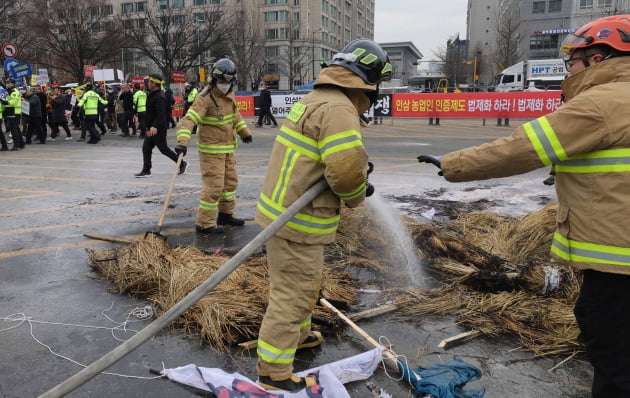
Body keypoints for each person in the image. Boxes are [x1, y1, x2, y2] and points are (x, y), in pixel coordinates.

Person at [417, 15, 630, 398]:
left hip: (620, 259)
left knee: (613, 350)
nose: (571, 70)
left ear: (598, 59)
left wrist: (452, 165)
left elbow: (524, 147)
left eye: (574, 61)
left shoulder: (604, 101)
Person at [254, 38, 389, 392]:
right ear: (369, 78)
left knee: (301, 285)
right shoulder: (340, 108)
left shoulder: (317, 99)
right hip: (299, 221)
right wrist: (357, 192)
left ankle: (298, 337)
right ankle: (273, 371)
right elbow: (344, 171)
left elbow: (327, 161)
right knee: (294, 293)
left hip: (284, 213)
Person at [174, 58, 252, 233]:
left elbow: (235, 117)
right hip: (211, 151)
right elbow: (189, 120)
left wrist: (244, 132)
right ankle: (205, 223)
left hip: (227, 149)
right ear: (215, 79)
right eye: (222, 81)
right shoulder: (205, 98)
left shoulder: (229, 96)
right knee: (214, 187)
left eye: (228, 81)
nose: (224, 84)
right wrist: (182, 143)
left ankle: (225, 215)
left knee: (230, 184)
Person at [134, 74, 186, 178]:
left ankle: (182, 163)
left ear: (154, 84)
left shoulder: (159, 97)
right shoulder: (153, 94)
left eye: (149, 82)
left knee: (163, 149)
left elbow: (161, 114)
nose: (148, 84)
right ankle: (146, 170)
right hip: (152, 127)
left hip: (158, 128)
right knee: (146, 148)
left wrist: (154, 126)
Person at [3, 79, 24, 151]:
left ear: (12, 84)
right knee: (16, 129)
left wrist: (4, 101)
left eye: (8, 83)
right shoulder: (10, 91)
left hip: (14, 112)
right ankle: (21, 144)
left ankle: (17, 145)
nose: (7, 84)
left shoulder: (14, 91)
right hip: (12, 112)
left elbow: (13, 102)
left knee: (13, 129)